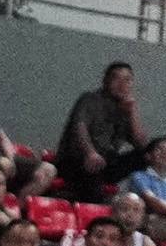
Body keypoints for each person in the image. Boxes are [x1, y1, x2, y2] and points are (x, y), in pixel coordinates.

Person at [57, 61, 146, 195]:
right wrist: (90, 153)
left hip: (104, 163)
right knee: (93, 175)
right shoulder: (90, 99)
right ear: (105, 80)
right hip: (77, 160)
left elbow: (141, 144)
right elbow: (79, 127)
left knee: (145, 155)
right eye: (116, 78)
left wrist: (133, 112)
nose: (122, 84)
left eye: (127, 80)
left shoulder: (125, 109)